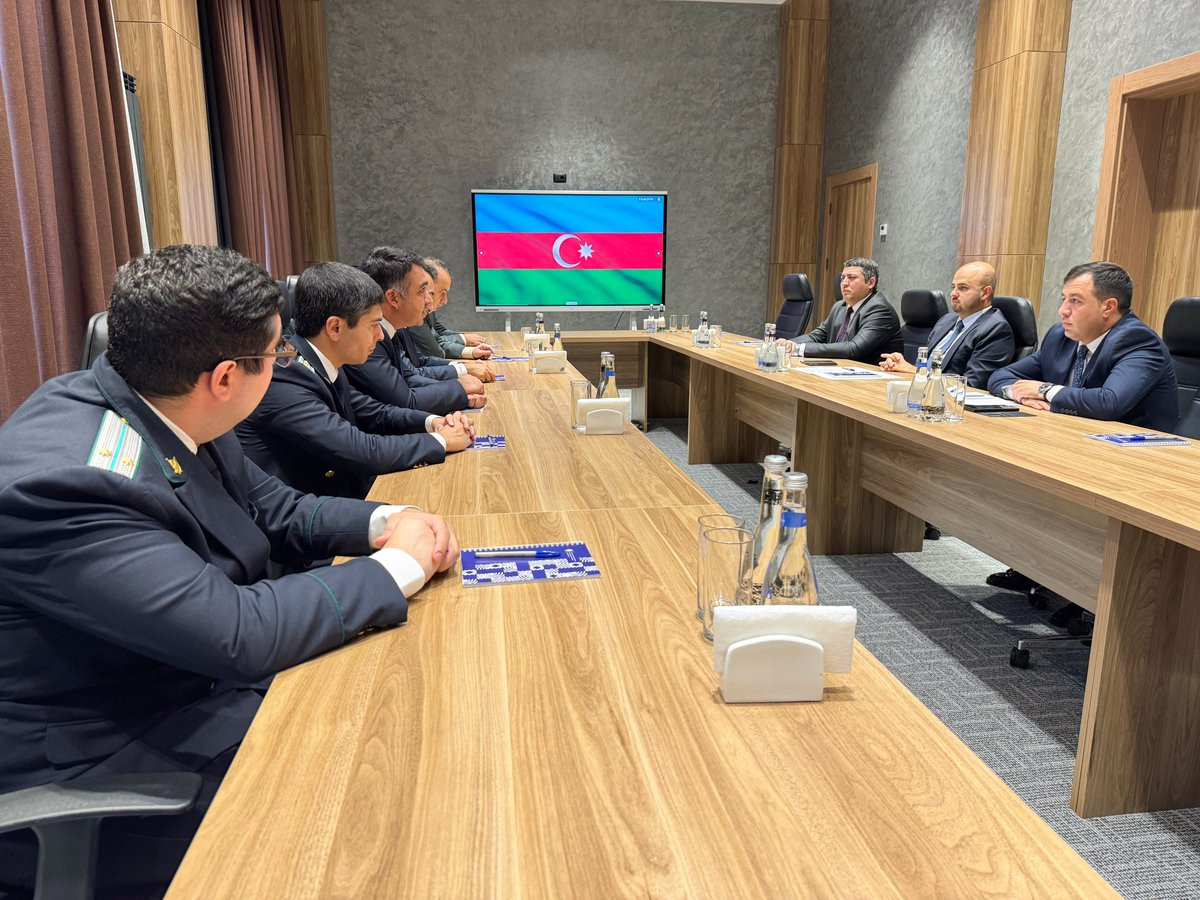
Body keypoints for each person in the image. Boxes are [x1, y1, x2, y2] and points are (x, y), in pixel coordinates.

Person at [0, 245, 459, 893]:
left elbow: (275, 506)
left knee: (407, 716)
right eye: (276, 354)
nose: (285, 362)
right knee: (392, 804)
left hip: (189, 692)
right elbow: (236, 633)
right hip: (105, 768)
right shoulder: (71, 484)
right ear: (224, 377)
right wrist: (399, 566)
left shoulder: (164, 400)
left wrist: (389, 520)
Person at [985, 261, 1178, 620]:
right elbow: (1001, 375)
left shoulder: (1138, 342)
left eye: (1075, 301)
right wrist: (1018, 392)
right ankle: (1038, 566)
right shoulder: (1061, 337)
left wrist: (1045, 390)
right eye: (1064, 299)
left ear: (1108, 307)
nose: (1062, 310)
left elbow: (1109, 402)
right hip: (1078, 448)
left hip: (1137, 466)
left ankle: (1092, 594)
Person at [236, 261, 475, 500]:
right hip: (316, 510)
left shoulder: (322, 361)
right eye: (373, 325)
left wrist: (433, 423)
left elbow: (375, 413)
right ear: (335, 327)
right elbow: (360, 449)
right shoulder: (287, 376)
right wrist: (441, 441)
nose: (380, 336)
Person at [346, 248, 490, 410]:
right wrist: (459, 388)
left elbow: (407, 377)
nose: (429, 300)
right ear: (393, 298)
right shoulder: (367, 338)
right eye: (422, 291)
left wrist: (458, 389)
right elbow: (405, 401)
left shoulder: (391, 329)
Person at [879, 261, 1015, 387]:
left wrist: (915, 371)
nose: (953, 294)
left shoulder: (996, 329)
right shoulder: (946, 320)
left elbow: (972, 384)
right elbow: (923, 367)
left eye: (963, 288)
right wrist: (902, 366)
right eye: (953, 287)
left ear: (985, 293)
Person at [786, 257, 902, 363]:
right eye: (843, 278)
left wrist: (797, 349)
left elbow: (853, 348)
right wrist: (786, 344)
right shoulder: (839, 306)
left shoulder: (879, 310)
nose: (844, 283)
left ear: (871, 283)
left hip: (872, 375)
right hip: (842, 370)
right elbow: (816, 336)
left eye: (852, 278)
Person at [409, 257, 493, 360]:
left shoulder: (427, 309)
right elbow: (435, 350)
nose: (445, 301)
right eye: (442, 293)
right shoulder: (413, 312)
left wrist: (467, 344)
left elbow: (438, 333)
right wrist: (463, 340)